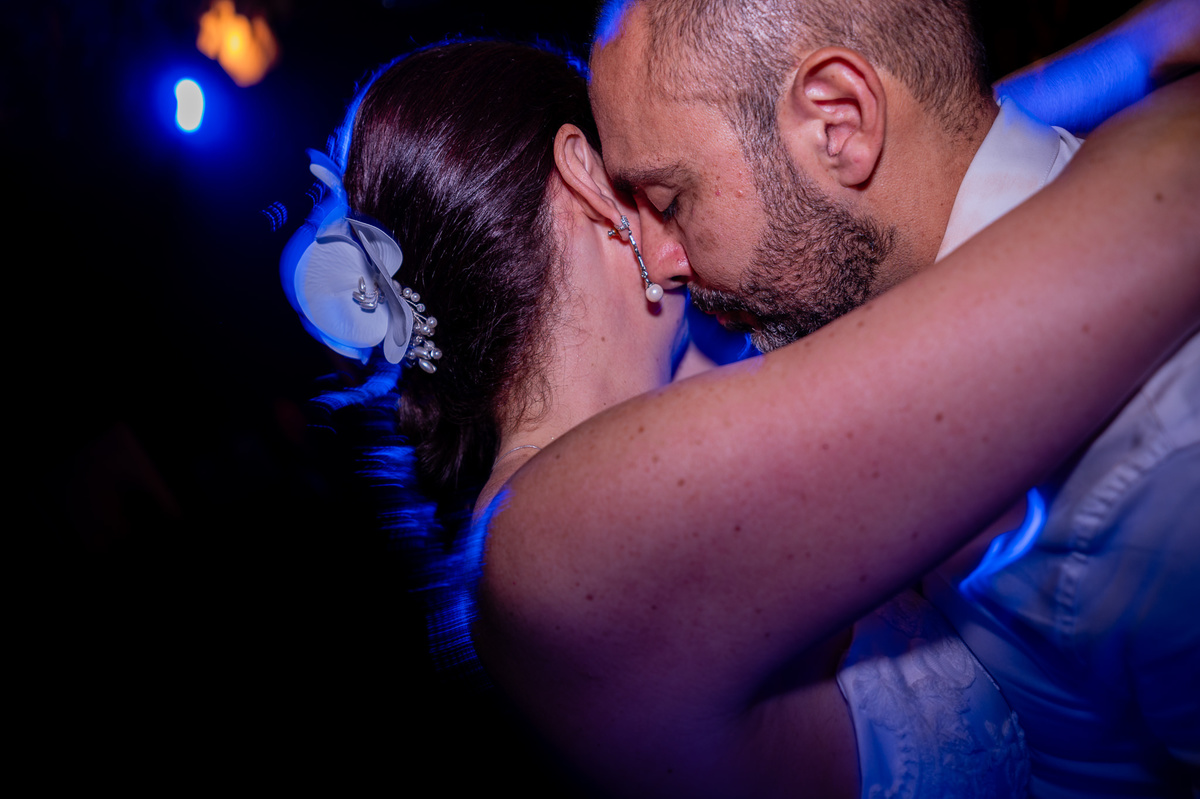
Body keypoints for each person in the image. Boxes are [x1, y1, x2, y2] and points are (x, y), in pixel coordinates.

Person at [282, 39, 1200, 799]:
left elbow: (845, 162)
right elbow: (1166, 205)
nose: (682, 236)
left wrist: (1139, 47)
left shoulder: (663, 387)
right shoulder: (555, 547)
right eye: (657, 192)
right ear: (588, 178)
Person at [587, 1, 1199, 796]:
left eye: (669, 201)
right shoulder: (862, 292)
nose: (659, 259)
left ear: (839, 122)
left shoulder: (1160, 476)